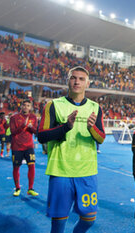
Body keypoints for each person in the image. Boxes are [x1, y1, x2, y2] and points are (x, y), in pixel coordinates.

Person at [38, 66, 105, 233]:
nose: (77, 81)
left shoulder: (95, 107)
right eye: (73, 78)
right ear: (67, 81)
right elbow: (42, 136)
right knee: (59, 223)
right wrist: (65, 127)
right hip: (61, 172)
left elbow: (101, 138)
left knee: (89, 220)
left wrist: (92, 129)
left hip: (87, 172)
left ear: (87, 83)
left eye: (81, 79)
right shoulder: (53, 105)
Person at [10, 99, 39, 197]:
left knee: (32, 166)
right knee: (16, 167)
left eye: (28, 105)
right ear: (21, 106)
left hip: (29, 146)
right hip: (17, 146)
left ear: (30, 107)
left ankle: (30, 189)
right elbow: (13, 132)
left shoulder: (33, 117)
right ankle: (17, 188)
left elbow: (36, 132)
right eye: (24, 105)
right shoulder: (14, 117)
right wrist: (23, 125)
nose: (26, 107)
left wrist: (31, 127)